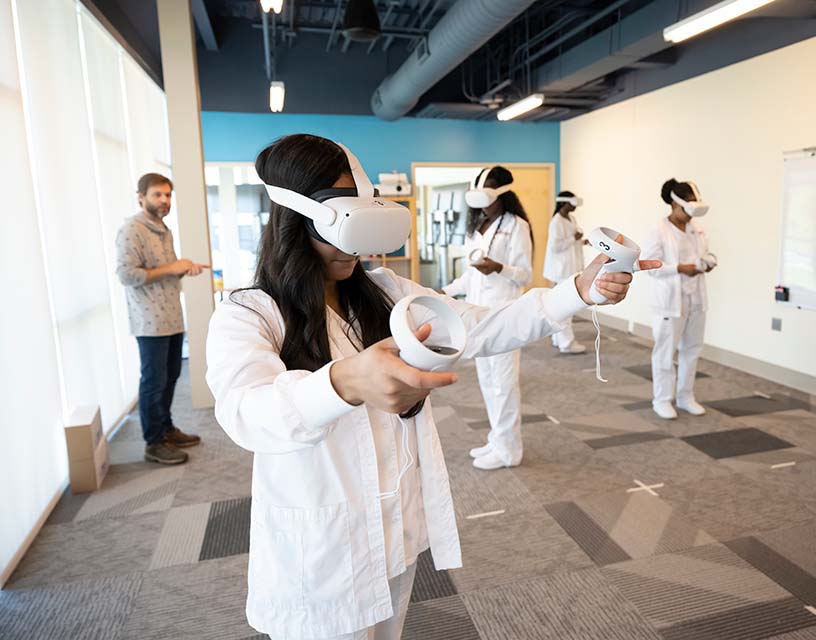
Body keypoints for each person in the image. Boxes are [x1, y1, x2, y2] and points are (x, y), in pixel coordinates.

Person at [204, 135, 643, 640]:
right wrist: (345, 382)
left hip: (393, 529)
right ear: (296, 216)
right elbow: (245, 411)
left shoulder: (387, 292)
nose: (353, 246)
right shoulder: (248, 313)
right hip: (321, 549)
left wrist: (578, 290)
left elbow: (484, 325)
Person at [442, 166, 534, 471]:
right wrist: (444, 291)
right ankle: (497, 439)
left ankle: (510, 450)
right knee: (487, 380)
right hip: (477, 315)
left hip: (504, 314)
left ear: (503, 191)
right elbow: (470, 277)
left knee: (504, 384)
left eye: (488, 187)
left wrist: (499, 268)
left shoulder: (516, 225)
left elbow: (525, 275)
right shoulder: (477, 225)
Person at [116, 173, 207, 464]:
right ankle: (154, 442)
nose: (164, 200)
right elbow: (127, 275)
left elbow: (162, 269)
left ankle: (166, 429)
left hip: (171, 316)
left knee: (171, 376)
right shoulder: (132, 229)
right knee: (154, 380)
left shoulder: (162, 228)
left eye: (168, 195)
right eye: (157, 194)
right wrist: (172, 268)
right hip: (149, 320)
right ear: (140, 196)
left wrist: (184, 268)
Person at [643, 178, 714, 420]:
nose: (691, 215)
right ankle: (662, 399)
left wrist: (707, 262)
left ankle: (686, 397)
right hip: (669, 300)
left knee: (692, 349)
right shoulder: (658, 229)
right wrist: (679, 268)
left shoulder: (696, 228)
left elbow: (704, 253)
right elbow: (650, 266)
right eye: (688, 208)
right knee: (665, 352)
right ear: (675, 204)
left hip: (695, 298)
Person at [544, 190, 589, 354]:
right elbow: (556, 247)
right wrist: (574, 238)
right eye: (572, 203)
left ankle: (558, 338)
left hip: (570, 268)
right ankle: (566, 342)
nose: (574, 207)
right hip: (562, 270)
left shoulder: (570, 219)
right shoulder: (556, 222)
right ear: (563, 203)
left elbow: (569, 243)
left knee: (561, 305)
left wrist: (582, 241)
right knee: (566, 306)